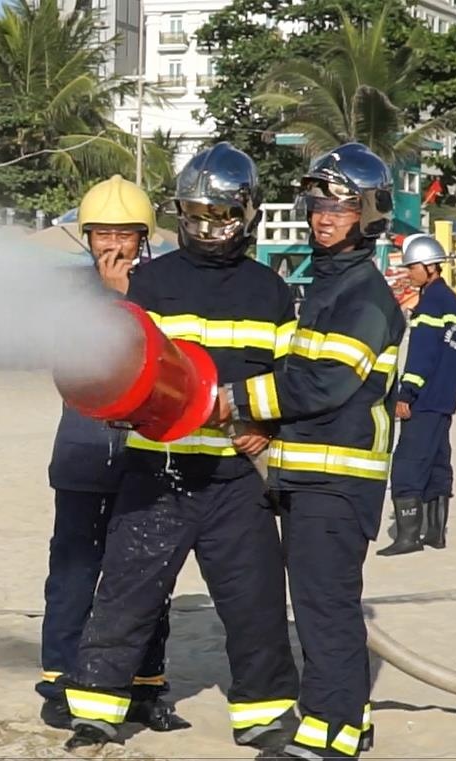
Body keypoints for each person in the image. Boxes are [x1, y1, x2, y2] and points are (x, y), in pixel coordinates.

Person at [61, 154, 301, 753]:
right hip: (157, 470)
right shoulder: (149, 283)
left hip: (234, 478)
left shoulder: (271, 291)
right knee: (125, 594)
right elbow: (109, 372)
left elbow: (288, 377)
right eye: (196, 214)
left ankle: (263, 715)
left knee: (255, 603)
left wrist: (264, 428)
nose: (209, 226)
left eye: (222, 215)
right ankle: (96, 711)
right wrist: (116, 303)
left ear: (246, 215)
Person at [215, 143, 407, 759]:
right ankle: (340, 714)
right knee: (319, 607)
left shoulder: (363, 298)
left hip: (338, 484)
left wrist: (235, 400)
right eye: (318, 203)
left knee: (325, 609)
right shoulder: (326, 287)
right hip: (307, 479)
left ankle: (333, 734)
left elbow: (317, 385)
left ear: (370, 214)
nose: (324, 217)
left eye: (342, 207)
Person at [38, 174, 173, 732]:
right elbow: (71, 367)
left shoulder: (161, 288)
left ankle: (144, 682)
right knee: (73, 570)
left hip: (146, 451)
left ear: (142, 238)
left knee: (146, 569)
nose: (112, 245)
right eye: (102, 234)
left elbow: (170, 357)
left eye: (124, 233)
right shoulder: (66, 295)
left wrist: (128, 300)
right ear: (86, 238)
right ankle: (60, 679)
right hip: (85, 452)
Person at [376, 233, 456, 555]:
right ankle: (434, 533)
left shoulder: (430, 304)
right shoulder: (453, 302)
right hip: (446, 398)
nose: (408, 272)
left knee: (408, 464)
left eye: (412, 266)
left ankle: (408, 537)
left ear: (430, 267)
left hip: (425, 399)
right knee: (438, 463)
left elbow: (423, 355)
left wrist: (407, 392)